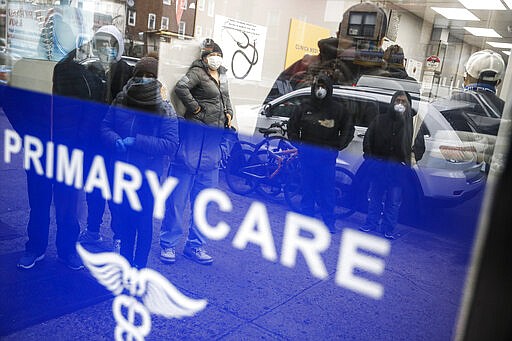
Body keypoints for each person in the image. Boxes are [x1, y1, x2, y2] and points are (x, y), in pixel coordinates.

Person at [159, 39, 234, 265]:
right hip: (190, 149)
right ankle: (168, 245)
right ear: (203, 57)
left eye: (218, 53)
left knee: (204, 205)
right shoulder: (198, 73)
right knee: (177, 202)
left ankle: (196, 246)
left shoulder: (223, 76)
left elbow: (226, 99)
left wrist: (229, 113)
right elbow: (181, 88)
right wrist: (197, 109)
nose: (215, 57)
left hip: (211, 153)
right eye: (211, 54)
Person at [101, 56, 179, 268]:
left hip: (148, 175)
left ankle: (139, 267)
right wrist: (115, 139)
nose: (144, 79)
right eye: (141, 75)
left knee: (143, 224)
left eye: (150, 76)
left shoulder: (164, 106)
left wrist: (137, 142)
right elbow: (105, 126)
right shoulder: (121, 98)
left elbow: (171, 144)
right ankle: (125, 264)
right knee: (123, 221)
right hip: (122, 172)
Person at [264, 1, 388, 103]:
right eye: (353, 37)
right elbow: (272, 109)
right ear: (381, 42)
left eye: (366, 38)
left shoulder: (303, 68)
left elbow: (273, 109)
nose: (358, 45)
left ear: (338, 34)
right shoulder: (387, 83)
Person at [78, 25, 133, 248]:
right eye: (101, 44)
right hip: (92, 141)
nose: (105, 48)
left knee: (116, 192)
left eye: (110, 44)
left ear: (118, 46)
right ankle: (92, 230)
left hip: (116, 142)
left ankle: (119, 235)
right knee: (94, 190)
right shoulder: (90, 70)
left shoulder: (127, 72)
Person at [287, 74, 354, 234]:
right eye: (318, 86)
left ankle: (329, 222)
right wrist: (300, 145)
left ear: (329, 89)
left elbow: (348, 129)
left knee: (327, 192)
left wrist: (337, 146)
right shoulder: (304, 107)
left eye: (323, 86)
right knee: (307, 189)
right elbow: (292, 127)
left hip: (326, 159)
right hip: (307, 157)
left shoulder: (338, 109)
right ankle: (306, 221)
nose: (320, 90)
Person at [360, 90, 425, 239]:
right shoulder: (380, 120)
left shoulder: (413, 126)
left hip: (398, 170)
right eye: (398, 101)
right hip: (379, 167)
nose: (400, 104)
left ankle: (388, 229)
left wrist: (407, 163)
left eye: (403, 102)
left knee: (394, 202)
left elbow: (419, 148)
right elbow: (368, 140)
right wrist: (371, 161)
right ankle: (371, 223)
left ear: (409, 105)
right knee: (375, 197)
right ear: (392, 102)